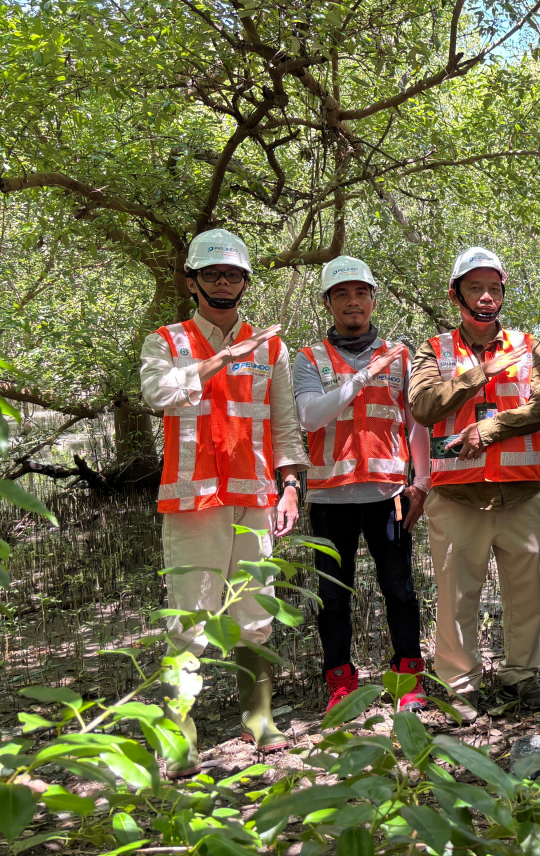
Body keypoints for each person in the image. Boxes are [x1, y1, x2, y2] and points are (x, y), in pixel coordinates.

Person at [139, 229, 308, 776]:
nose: (223, 283)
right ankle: (179, 742)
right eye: (212, 274)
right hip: (194, 504)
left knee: (255, 612)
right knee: (190, 620)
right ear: (192, 281)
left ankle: (258, 721)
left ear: (245, 282)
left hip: (255, 496)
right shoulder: (166, 339)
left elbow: (284, 423)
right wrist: (222, 360)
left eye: (233, 274)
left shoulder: (272, 347)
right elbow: (158, 394)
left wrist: (290, 485)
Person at [407, 246, 540, 717]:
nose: (487, 296)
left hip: (522, 493)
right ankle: (460, 684)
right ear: (456, 295)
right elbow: (424, 406)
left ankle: (521, 675)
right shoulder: (432, 349)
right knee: (455, 595)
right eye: (476, 287)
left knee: (526, 590)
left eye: (494, 287)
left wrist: (489, 429)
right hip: (457, 497)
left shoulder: (527, 344)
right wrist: (478, 376)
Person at [294, 256, 433, 712]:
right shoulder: (309, 359)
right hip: (330, 499)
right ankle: (340, 680)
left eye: (360, 293)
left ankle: (407, 676)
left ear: (373, 299)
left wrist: (422, 482)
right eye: (341, 294)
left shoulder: (401, 357)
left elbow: (416, 424)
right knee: (332, 595)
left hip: (389, 495)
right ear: (328, 303)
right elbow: (309, 415)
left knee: (400, 588)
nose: (352, 302)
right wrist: (363, 376)